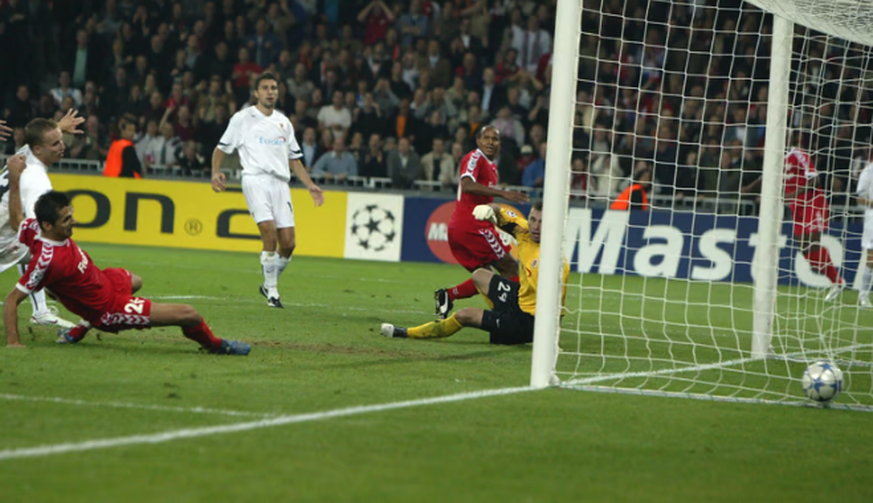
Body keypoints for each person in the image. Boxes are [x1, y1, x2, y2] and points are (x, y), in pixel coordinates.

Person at [2, 182, 250, 355]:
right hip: (108, 308)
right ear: (48, 225)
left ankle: (79, 328)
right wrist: (13, 342)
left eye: (72, 215)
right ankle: (216, 346)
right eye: (67, 219)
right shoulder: (46, 260)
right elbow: (12, 300)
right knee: (189, 314)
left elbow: (15, 220)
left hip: (104, 280)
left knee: (136, 281)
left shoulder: (34, 227)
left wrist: (15, 175)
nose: (74, 222)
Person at [382, 201, 568, 344]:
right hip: (518, 300)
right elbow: (500, 212)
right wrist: (489, 209)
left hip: (527, 323)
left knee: (465, 315)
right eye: (533, 220)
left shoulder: (555, 262)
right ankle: (491, 311)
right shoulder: (523, 231)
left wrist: (551, 339)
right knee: (480, 275)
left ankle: (406, 333)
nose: (536, 226)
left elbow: (557, 308)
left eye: (542, 222)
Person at [211, 72, 324, 308]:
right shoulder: (243, 118)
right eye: (265, 88)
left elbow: (294, 159)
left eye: (273, 88)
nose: (270, 92)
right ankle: (272, 293)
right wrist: (215, 171)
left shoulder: (284, 122)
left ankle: (267, 283)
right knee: (269, 231)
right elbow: (221, 148)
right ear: (256, 93)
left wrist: (310, 185)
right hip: (255, 179)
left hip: (280, 184)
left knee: (289, 243)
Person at [434, 125, 529, 320]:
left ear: (500, 144)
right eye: (486, 138)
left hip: (463, 227)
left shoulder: (492, 167)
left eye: (494, 139)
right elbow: (467, 185)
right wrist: (503, 193)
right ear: (478, 141)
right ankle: (517, 312)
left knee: (486, 277)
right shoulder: (475, 157)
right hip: (472, 226)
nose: (490, 142)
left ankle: (448, 295)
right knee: (510, 267)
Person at [2, 111, 85, 329]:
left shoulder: (25, 153)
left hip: (8, 235)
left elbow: (36, 138)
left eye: (60, 140)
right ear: (38, 149)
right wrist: (52, 276)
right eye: (56, 143)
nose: (62, 146)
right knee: (55, 252)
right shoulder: (37, 181)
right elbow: (31, 230)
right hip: (3, 240)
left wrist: (58, 127)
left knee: (32, 250)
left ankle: (40, 311)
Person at [855, 156, 873, 307]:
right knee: (872, 258)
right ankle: (863, 295)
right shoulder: (868, 171)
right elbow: (859, 199)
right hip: (872, 219)